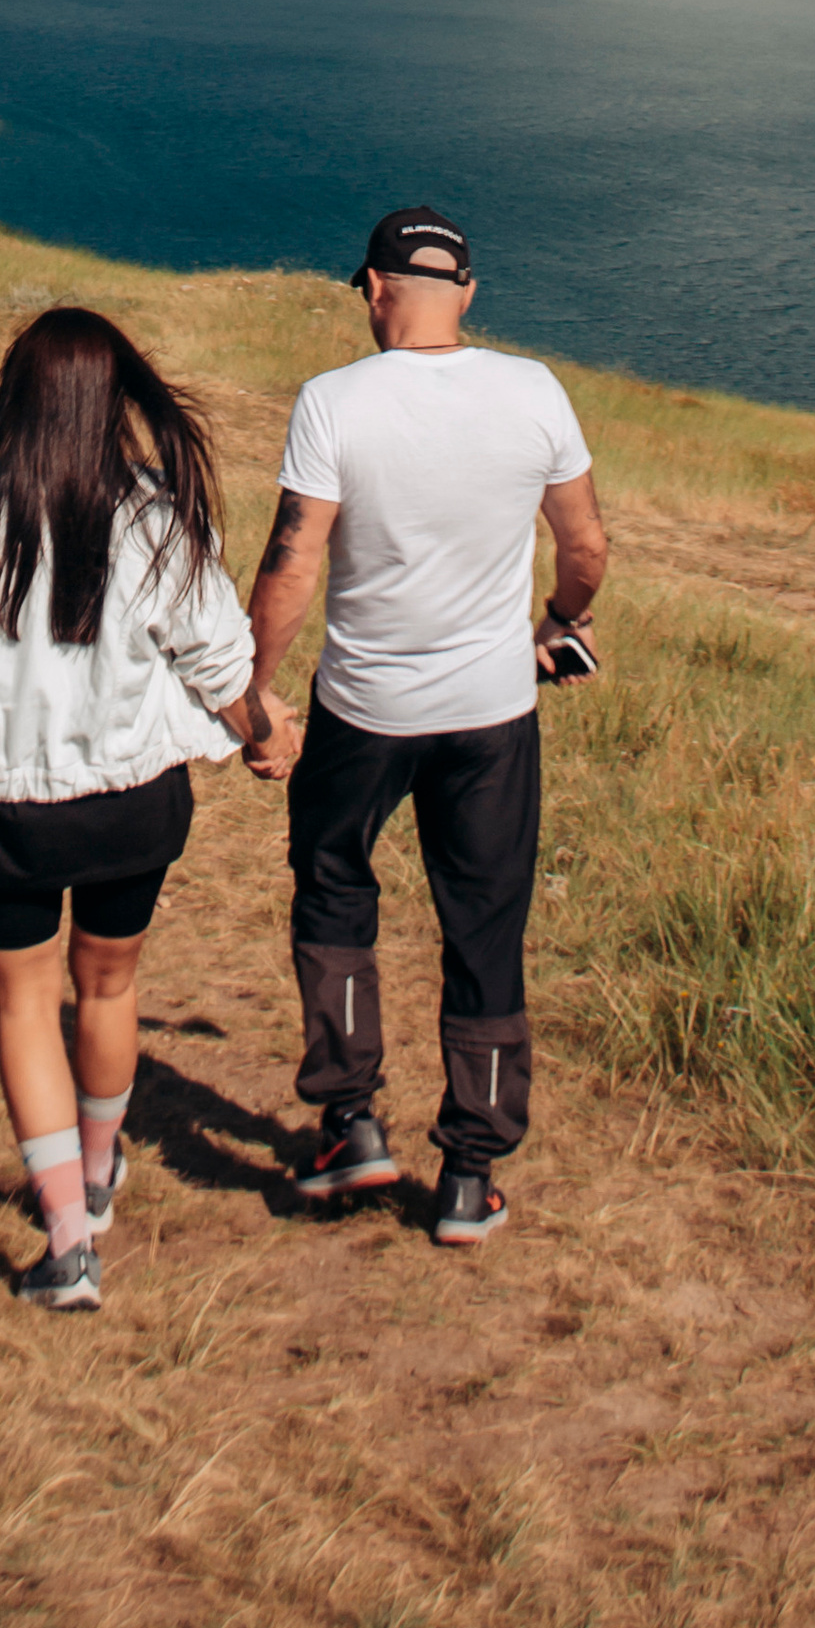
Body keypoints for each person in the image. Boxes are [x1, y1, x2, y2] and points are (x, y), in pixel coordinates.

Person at [0, 305, 300, 1310]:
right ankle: (100, 1172)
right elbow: (217, 656)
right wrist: (262, 727)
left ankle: (66, 1242)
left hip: (4, 806)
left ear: (10, 402)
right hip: (134, 803)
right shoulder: (156, 520)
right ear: (118, 404)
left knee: (23, 1005)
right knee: (105, 990)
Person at [241, 204, 607, 1246]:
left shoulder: (331, 402)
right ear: (470, 295)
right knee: (483, 926)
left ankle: (351, 1123)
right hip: (491, 713)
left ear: (371, 288)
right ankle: (468, 1175)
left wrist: (254, 698)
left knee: (333, 893)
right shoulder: (534, 390)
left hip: (362, 710)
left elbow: (292, 566)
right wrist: (563, 624)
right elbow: (584, 546)